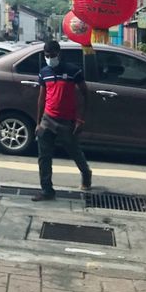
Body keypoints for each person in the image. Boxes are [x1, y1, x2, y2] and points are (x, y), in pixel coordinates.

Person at [31, 40, 92, 202]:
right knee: (44, 157)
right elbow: (41, 98)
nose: (50, 58)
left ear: (60, 54)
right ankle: (47, 190)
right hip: (47, 119)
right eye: (47, 56)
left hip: (67, 121)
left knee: (74, 151)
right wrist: (38, 123)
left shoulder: (73, 71)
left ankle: (86, 173)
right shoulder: (44, 72)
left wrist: (80, 119)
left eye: (53, 55)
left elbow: (85, 95)